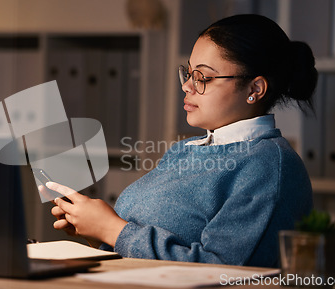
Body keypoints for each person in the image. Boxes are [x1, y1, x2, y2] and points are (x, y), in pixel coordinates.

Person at [43, 14, 317, 267]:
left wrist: (111, 229)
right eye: (188, 73)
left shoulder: (268, 167)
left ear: (255, 89)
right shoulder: (184, 151)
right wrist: (95, 231)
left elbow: (222, 270)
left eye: (203, 77)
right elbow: (141, 249)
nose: (186, 86)